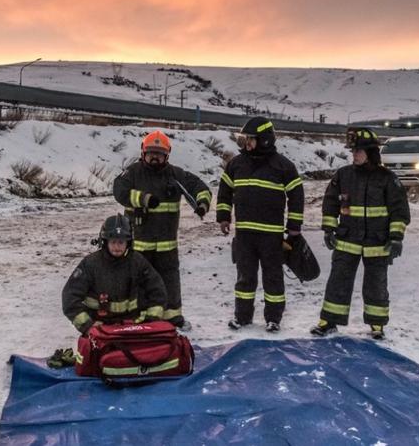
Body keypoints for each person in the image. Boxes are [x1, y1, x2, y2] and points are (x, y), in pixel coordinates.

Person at [312, 127, 410, 339]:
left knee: (376, 285)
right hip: (347, 240)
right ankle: (328, 321)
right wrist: (329, 229)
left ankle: (377, 325)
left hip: (378, 243)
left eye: (358, 151)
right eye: (353, 151)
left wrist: (396, 238)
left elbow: (399, 211)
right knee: (338, 282)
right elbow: (330, 203)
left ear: (371, 153)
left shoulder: (387, 178)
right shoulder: (343, 175)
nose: (354, 154)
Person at [113, 130, 211, 331]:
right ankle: (141, 317)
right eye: (151, 153)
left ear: (167, 155)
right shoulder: (133, 173)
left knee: (170, 282)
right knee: (140, 282)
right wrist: (143, 199)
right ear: (143, 153)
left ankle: (172, 318)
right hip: (139, 244)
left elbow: (199, 187)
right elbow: (119, 190)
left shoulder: (175, 175)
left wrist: (202, 204)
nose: (155, 158)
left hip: (167, 245)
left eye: (159, 154)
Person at [216, 117, 304, 332]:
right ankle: (242, 317)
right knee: (244, 278)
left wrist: (294, 226)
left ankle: (273, 319)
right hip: (245, 234)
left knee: (273, 277)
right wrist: (223, 216)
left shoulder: (283, 166)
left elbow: (297, 196)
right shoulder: (236, 164)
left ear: (264, 140)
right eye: (245, 139)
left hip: (271, 235)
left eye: (251, 139)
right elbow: (225, 191)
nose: (246, 143)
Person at [62, 214, 168, 334]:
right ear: (104, 242)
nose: (117, 247)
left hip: (133, 326)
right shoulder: (90, 264)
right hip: (100, 328)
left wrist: (151, 321)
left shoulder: (137, 262)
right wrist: (88, 326)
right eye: (113, 242)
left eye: (121, 242)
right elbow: (70, 297)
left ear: (128, 243)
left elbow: (157, 291)